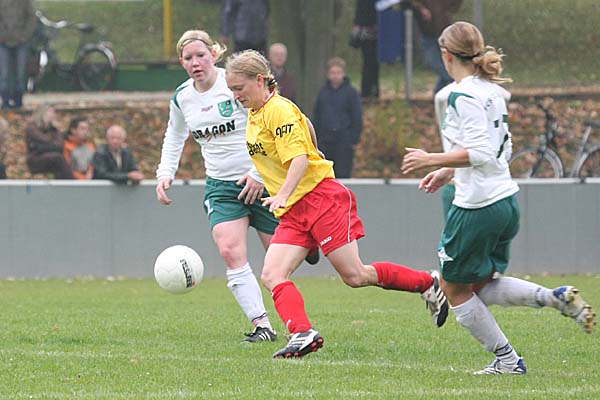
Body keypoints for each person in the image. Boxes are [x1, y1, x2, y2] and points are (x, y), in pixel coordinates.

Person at [225, 49, 449, 359]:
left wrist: (284, 192)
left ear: (260, 80)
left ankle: (427, 282)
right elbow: (306, 126)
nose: (235, 95)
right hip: (294, 210)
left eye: (239, 88)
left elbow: (299, 159)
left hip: (321, 199)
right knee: (272, 274)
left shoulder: (278, 110)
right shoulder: (257, 111)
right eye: (232, 89)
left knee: (355, 276)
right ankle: (302, 333)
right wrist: (305, 160)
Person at [401, 21, 596, 375]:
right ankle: (553, 298)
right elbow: (494, 150)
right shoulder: (491, 91)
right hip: (505, 200)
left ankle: (508, 360)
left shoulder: (460, 95)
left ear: (446, 55)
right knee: (478, 285)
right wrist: (447, 171)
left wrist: (431, 158)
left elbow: (480, 152)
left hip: (478, 206)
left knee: (452, 287)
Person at [155, 30, 317, 344]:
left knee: (278, 262)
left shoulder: (235, 86)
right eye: (188, 58)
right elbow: (174, 135)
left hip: (262, 181)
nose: (195, 63)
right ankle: (262, 325)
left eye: (200, 55)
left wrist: (258, 174)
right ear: (181, 62)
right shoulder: (182, 97)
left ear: (214, 54)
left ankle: (307, 245)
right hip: (221, 186)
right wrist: (165, 173)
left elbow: (268, 123)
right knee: (230, 251)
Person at [312, 57, 363, 179]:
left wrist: (354, 139)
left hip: (344, 141)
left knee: (343, 174)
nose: (335, 76)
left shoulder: (351, 93)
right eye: (333, 73)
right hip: (325, 141)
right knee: (326, 175)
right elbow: (317, 116)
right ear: (328, 74)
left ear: (343, 74)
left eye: (338, 73)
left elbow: (357, 117)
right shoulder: (323, 93)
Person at [412, 0, 462, 94]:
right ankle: (453, 81)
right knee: (433, 62)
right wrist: (422, 9)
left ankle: (438, 94)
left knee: (447, 64)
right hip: (428, 34)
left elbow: (454, 7)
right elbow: (412, 3)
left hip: (444, 33)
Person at [0, 0, 37, 109]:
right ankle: (5, 101)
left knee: (20, 73)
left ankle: (18, 102)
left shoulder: (24, 2)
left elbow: (31, 18)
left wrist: (25, 36)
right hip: (3, 41)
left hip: (21, 42)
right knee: (4, 73)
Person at [25, 105, 74, 179]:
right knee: (58, 158)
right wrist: (53, 140)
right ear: (42, 113)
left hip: (50, 157)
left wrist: (55, 129)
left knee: (61, 163)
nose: (53, 115)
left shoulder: (52, 129)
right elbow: (44, 139)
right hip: (36, 159)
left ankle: (67, 183)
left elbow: (60, 145)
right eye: (50, 112)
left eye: (53, 113)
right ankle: (72, 182)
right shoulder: (32, 127)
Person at [352, 0, 379, 100]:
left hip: (372, 30)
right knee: (370, 62)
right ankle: (369, 91)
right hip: (368, 31)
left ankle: (370, 90)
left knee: (371, 62)